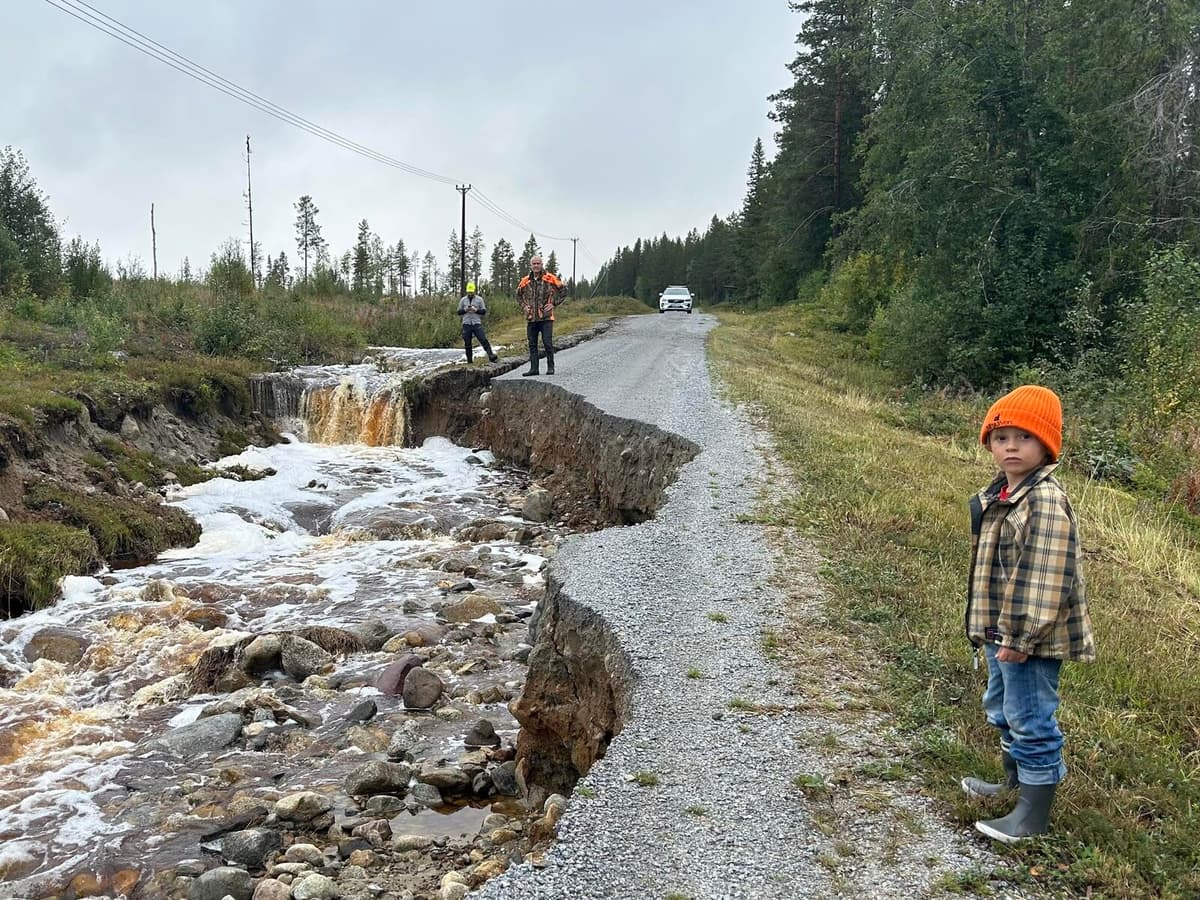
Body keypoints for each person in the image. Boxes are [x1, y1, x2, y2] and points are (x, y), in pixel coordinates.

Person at [963, 384, 1095, 843]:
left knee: (1031, 716)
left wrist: (1019, 638)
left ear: (1047, 445)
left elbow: (1043, 576)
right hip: (1003, 632)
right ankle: (1014, 783)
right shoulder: (1002, 493)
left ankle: (1031, 818)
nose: (1011, 447)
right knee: (1002, 708)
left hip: (1029, 638)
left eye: (1024, 438)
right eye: (1001, 438)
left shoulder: (1043, 501)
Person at [516, 254, 565, 376]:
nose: (536, 265)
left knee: (547, 342)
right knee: (532, 344)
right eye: (534, 264)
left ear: (542, 265)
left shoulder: (550, 278)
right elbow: (517, 295)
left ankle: (550, 367)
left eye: (538, 263)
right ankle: (534, 369)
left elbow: (564, 290)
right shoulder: (525, 281)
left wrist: (553, 304)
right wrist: (524, 306)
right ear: (531, 265)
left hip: (546, 317)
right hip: (531, 318)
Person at [456, 282, 497, 364]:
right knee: (467, 343)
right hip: (466, 324)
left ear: (474, 291)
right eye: (469, 292)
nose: (470, 293)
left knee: (483, 339)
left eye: (471, 292)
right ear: (467, 291)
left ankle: (491, 355)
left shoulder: (479, 299)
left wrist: (476, 310)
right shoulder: (463, 300)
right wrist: (465, 310)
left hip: (476, 323)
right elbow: (458, 312)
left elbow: (484, 311)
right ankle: (470, 361)